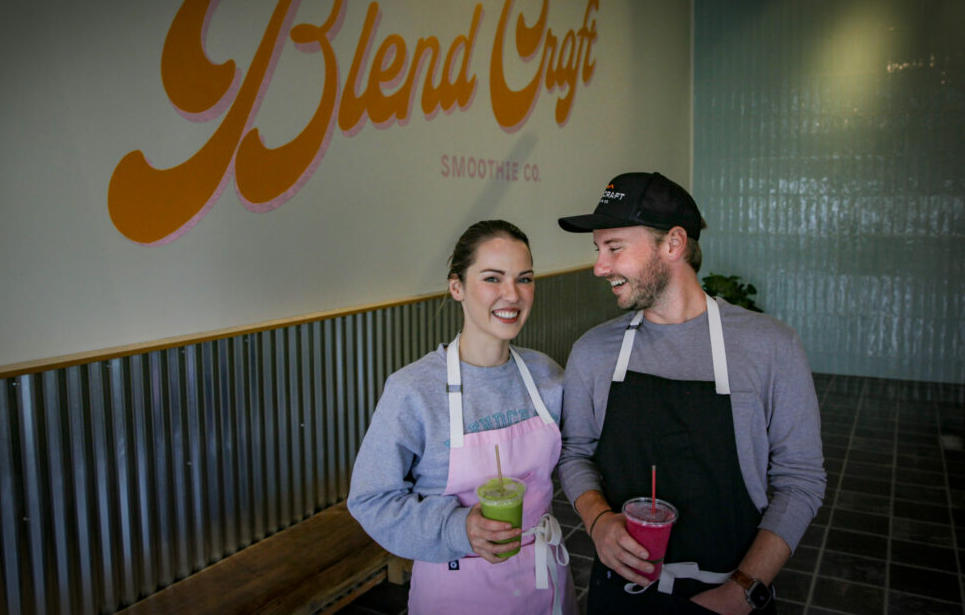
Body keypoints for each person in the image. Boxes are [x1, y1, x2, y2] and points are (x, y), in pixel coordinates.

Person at [556, 172, 825, 614]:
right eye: (597, 249)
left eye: (614, 248)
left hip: (730, 595)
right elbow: (575, 453)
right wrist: (598, 520)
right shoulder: (593, 351)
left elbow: (801, 480)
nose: (600, 267)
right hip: (620, 592)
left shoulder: (770, 346)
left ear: (674, 243)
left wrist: (742, 589)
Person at [348, 220, 577, 615]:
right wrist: (457, 528)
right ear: (457, 287)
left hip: (545, 579)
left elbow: (580, 454)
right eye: (492, 278)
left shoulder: (546, 375)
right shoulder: (414, 390)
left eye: (524, 279)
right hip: (456, 587)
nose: (512, 294)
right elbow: (372, 500)